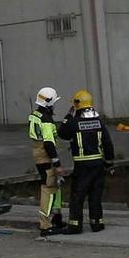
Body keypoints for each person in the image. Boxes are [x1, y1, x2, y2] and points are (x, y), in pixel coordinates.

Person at [58, 88, 115, 232]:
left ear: (77, 105)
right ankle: (97, 223)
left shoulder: (74, 122)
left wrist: (68, 116)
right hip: (98, 165)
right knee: (95, 195)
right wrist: (109, 163)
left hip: (82, 166)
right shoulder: (99, 122)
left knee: (77, 195)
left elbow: (62, 133)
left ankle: (75, 225)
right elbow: (108, 144)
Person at [28, 87, 74, 238]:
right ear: (49, 103)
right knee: (48, 189)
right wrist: (58, 164)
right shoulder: (46, 119)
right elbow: (49, 143)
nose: (54, 105)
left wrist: (68, 115)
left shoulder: (36, 115)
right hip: (46, 157)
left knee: (55, 187)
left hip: (40, 156)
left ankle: (57, 219)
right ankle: (45, 225)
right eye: (54, 102)